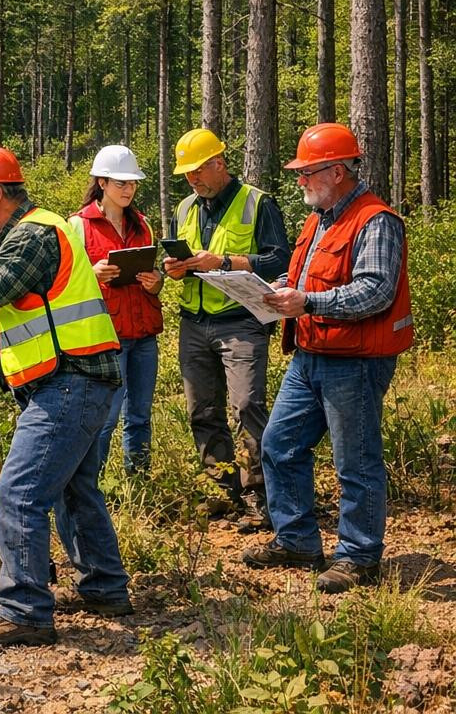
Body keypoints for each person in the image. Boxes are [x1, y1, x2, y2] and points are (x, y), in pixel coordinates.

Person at [0, 145, 131, 647]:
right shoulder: (27, 234)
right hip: (76, 382)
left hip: (69, 383)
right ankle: (105, 587)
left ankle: (24, 612)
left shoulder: (34, 235)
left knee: (18, 495)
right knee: (75, 490)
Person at [244, 123, 412, 592]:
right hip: (310, 355)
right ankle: (297, 540)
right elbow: (307, 277)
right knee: (279, 445)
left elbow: (375, 291)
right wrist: (278, 291)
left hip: (354, 362)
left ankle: (359, 556)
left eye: (308, 172)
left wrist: (309, 303)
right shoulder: (319, 218)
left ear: (337, 171)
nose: (301, 181)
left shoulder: (375, 220)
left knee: (355, 462)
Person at [163, 129, 290, 531]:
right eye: (187, 175)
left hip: (242, 322)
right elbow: (184, 264)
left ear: (220, 163)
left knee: (248, 406)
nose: (193, 180)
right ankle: (221, 490)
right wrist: (177, 269)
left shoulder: (257, 203)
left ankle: (265, 496)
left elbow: (279, 259)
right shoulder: (185, 208)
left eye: (198, 171)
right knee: (202, 411)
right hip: (194, 321)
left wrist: (225, 261)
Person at [68, 145, 164, 473]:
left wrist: (156, 282)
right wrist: (90, 275)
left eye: (132, 183)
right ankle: (94, 487)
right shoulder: (77, 226)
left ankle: (138, 478)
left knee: (139, 415)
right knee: (105, 419)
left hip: (144, 336)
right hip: (106, 339)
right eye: (120, 183)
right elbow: (63, 285)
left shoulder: (143, 226)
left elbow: (155, 277)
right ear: (102, 183)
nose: (128, 189)